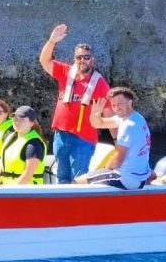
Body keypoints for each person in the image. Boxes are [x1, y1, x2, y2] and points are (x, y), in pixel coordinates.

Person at [39, 23, 113, 184]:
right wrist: (52, 41)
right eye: (79, 57)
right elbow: (44, 61)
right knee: (62, 178)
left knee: (78, 181)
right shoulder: (65, 72)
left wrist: (119, 141)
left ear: (92, 59)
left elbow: (109, 115)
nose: (82, 60)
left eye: (86, 57)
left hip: (82, 139)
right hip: (60, 136)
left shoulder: (99, 84)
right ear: (75, 59)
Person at [75, 87, 152, 189]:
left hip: (126, 178)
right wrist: (95, 114)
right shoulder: (137, 117)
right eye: (113, 105)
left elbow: (118, 159)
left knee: (76, 182)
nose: (116, 108)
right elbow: (98, 123)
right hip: (140, 177)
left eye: (120, 104)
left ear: (130, 102)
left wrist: (105, 169)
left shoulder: (128, 125)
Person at [0, 106, 47, 185]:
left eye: (22, 119)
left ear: (31, 123)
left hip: (26, 191)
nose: (17, 122)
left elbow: (26, 176)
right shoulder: (11, 138)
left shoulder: (34, 144)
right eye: (15, 119)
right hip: (6, 185)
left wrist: (11, 193)